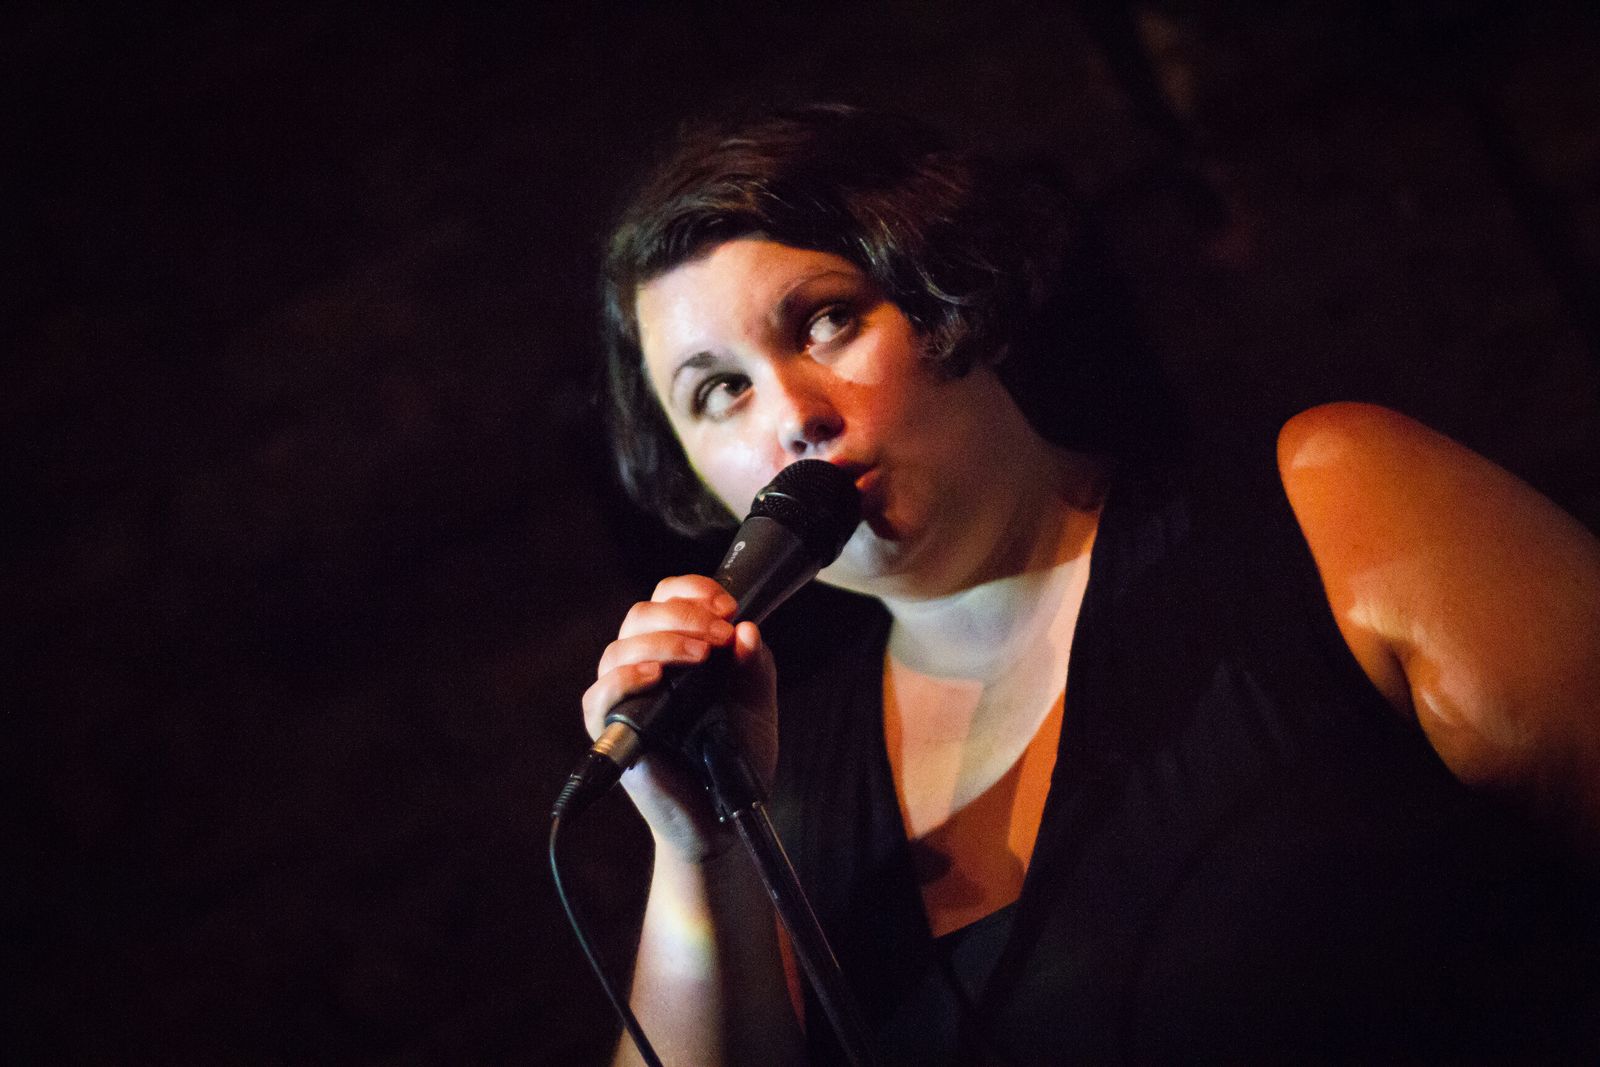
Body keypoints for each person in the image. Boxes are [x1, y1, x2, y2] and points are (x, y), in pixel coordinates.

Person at [580, 104, 1600, 1064]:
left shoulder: (1330, 504)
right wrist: (695, 848)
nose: (792, 414)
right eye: (719, 390)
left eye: (827, 320)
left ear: (948, 295)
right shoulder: (776, 798)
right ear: (696, 476)